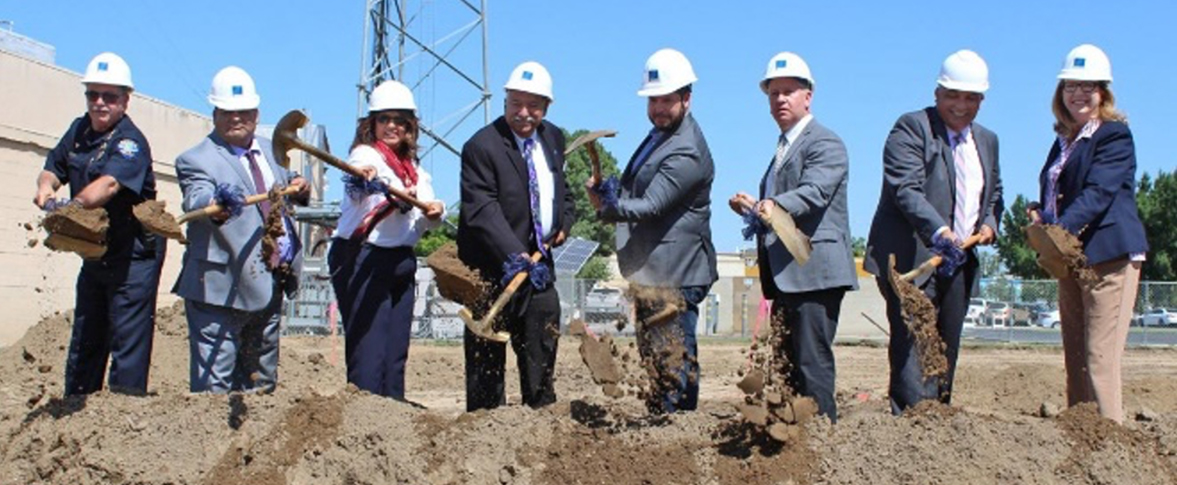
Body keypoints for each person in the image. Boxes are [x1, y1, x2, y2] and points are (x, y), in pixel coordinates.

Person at [864, 50, 1003, 414]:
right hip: (912, 260)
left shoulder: (986, 141)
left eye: (970, 97)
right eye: (952, 95)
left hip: (958, 262)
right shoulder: (911, 128)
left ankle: (938, 424)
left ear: (981, 100)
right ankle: (912, 426)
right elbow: (905, 188)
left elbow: (995, 192)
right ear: (937, 92)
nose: (960, 105)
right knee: (914, 347)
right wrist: (940, 231)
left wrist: (990, 222)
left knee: (945, 347)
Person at [727, 52, 858, 422]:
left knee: (811, 362)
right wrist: (756, 206)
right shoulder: (782, 149)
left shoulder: (826, 143)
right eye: (773, 93)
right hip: (787, 275)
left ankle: (820, 435)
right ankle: (795, 436)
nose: (780, 99)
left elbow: (813, 192)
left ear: (808, 96)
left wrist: (768, 205)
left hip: (814, 272)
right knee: (789, 362)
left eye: (789, 91)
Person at [589, 48, 717, 413]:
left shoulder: (686, 150)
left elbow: (653, 205)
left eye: (667, 100)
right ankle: (663, 424)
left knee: (673, 357)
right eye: (653, 100)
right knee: (656, 357)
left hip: (676, 273)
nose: (658, 108)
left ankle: (676, 431)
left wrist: (611, 207)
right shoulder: (660, 135)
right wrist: (606, 198)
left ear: (687, 98)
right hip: (656, 269)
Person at [33, 52, 166, 396]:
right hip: (98, 251)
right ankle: (76, 402)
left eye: (110, 96)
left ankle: (124, 412)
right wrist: (46, 190)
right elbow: (53, 168)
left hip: (134, 253)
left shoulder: (129, 141)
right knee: (88, 330)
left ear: (125, 100)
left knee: (127, 334)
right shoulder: (79, 130)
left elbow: (107, 185)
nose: (100, 103)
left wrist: (71, 207)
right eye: (93, 94)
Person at [1028, 44, 1147, 423]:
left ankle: (1111, 442)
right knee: (1076, 354)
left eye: (1088, 87)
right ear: (1060, 94)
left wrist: (1058, 231)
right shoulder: (1063, 139)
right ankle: (1080, 435)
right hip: (1073, 259)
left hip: (1109, 258)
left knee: (1099, 355)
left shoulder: (1113, 137)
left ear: (1103, 93)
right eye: (1070, 87)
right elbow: (1062, 193)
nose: (1077, 94)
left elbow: (1098, 193)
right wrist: (1042, 214)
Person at [174, 66, 309, 393]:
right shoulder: (196, 159)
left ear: (256, 112)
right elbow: (196, 199)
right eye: (227, 112)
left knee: (260, 383)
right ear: (215, 113)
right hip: (221, 289)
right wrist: (216, 202)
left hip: (270, 280)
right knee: (215, 387)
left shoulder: (272, 150)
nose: (236, 118)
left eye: (244, 112)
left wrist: (299, 187)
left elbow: (285, 189)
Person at [457, 61, 575, 411]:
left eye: (533, 106)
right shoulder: (481, 147)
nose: (524, 114)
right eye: (515, 104)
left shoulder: (553, 138)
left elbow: (562, 193)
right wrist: (514, 254)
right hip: (492, 271)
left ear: (547, 107)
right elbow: (481, 209)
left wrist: (564, 223)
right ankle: (484, 430)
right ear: (505, 100)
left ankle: (540, 422)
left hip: (539, 272)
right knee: (486, 366)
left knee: (541, 352)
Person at [328, 80, 445, 400]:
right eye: (384, 119)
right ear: (372, 124)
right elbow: (359, 177)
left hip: (399, 261)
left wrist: (435, 212)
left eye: (400, 120)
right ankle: (363, 420)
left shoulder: (415, 170)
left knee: (395, 353)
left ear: (410, 127)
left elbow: (427, 217)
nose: (392, 126)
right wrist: (365, 176)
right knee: (370, 350)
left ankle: (394, 418)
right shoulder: (366, 154)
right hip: (363, 257)